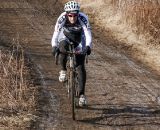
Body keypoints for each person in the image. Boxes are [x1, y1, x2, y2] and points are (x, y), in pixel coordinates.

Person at [51, 1, 92, 106]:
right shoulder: (62, 18)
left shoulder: (83, 18)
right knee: (62, 48)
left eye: (75, 15)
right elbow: (55, 34)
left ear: (78, 14)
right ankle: (63, 70)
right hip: (65, 36)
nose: (73, 18)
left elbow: (87, 34)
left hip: (79, 38)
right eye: (70, 15)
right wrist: (54, 47)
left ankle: (82, 95)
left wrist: (87, 47)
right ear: (66, 14)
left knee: (80, 66)